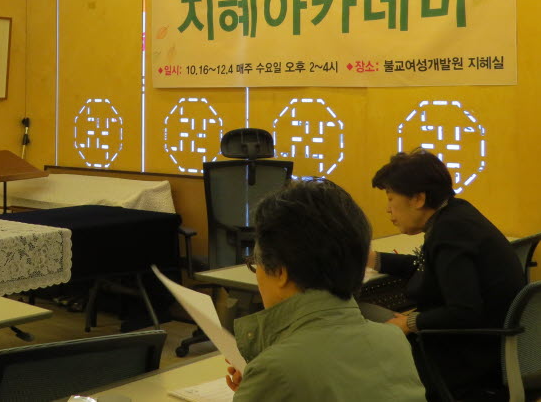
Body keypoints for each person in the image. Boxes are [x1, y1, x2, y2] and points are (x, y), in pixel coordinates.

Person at [225, 179, 425, 402]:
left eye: (256, 263)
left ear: (280, 271)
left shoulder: (275, 369)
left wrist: (261, 384)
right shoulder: (392, 340)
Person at [369, 149, 525, 398]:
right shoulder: (456, 214)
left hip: (471, 359)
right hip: (498, 348)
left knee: (371, 345)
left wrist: (409, 322)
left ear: (418, 199)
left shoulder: (450, 231)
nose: (388, 210)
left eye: (391, 199)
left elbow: (463, 311)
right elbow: (427, 266)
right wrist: (373, 259)